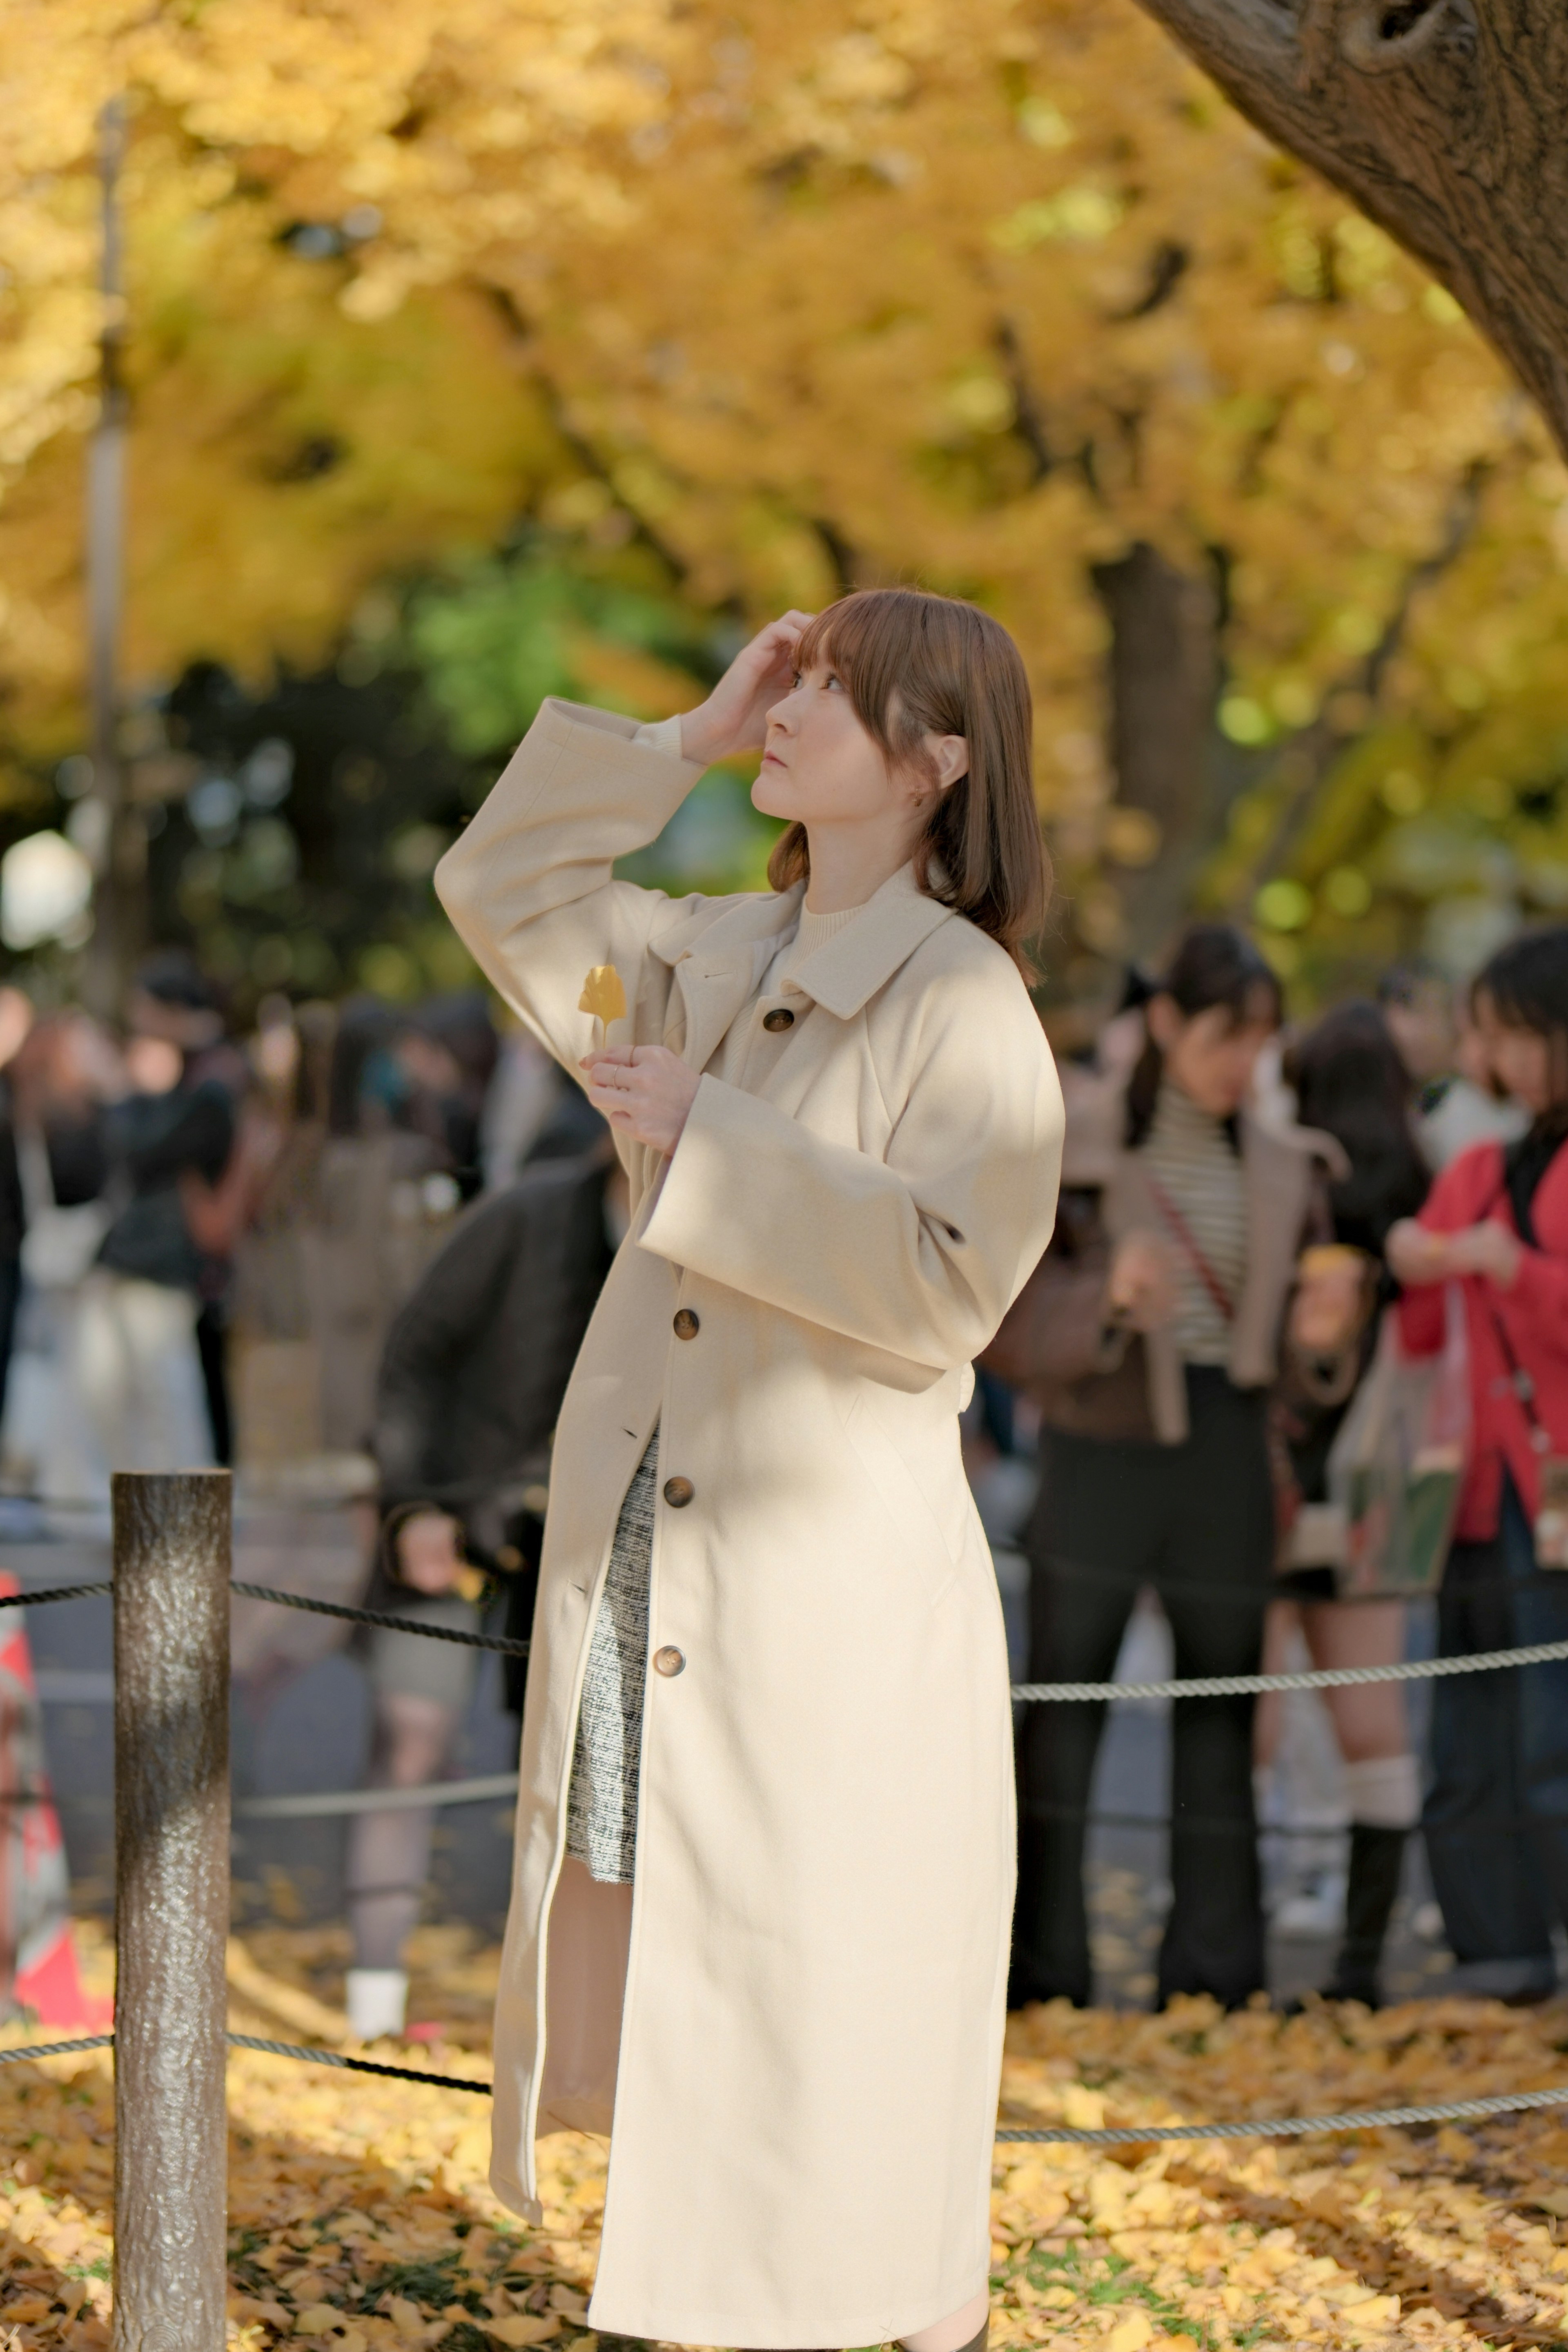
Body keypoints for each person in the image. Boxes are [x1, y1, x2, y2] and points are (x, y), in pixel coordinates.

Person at [435, 589, 1062, 2352]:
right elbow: (500, 894)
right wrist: (683, 744)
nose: (789, 709)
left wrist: (723, 1143)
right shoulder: (718, 944)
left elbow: (954, 1288)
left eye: (830, 696)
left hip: (828, 1586)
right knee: (689, 1982)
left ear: (936, 762)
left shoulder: (967, 999)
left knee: (827, 1998)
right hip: (661, 1539)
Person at [987, 925, 1341, 2013]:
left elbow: (1296, 1355)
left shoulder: (1289, 1164)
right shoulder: (1075, 1142)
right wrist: (1107, 1306)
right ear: (1174, 1023)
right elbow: (1000, 1309)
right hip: (1101, 1443)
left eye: (1262, 1041)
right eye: (1226, 1035)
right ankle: (1041, 1978)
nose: (1242, 1062)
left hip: (1228, 1450)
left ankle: (1215, 1977)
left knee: (1223, 1714)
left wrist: (1324, 1339)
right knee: (1061, 1710)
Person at [345, 1138, 627, 2040]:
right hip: (456, 1509)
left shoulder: (705, 1226)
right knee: (409, 1740)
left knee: (570, 1772)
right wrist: (414, 1499)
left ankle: (553, 2019)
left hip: (588, 1537)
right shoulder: (531, 1212)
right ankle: (370, 2006)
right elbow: (416, 1347)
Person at [1388, 925, 1568, 2003]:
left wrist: (1517, 1272)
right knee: (1467, 1730)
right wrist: (1414, 1267)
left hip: (1553, 1487)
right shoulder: (1476, 1166)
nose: (1491, 1061)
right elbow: (1420, 1341)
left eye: (1509, 1035)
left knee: (1554, 1733)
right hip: (1472, 1486)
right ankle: (1496, 1953)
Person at [1263, 1000, 1431, 2006]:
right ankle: (1362, 1961)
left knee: (1253, 1716)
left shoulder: (1291, 1186)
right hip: (1383, 1484)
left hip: (1279, 1476)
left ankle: (1239, 1937)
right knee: (1375, 1723)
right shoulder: (1427, 1194)